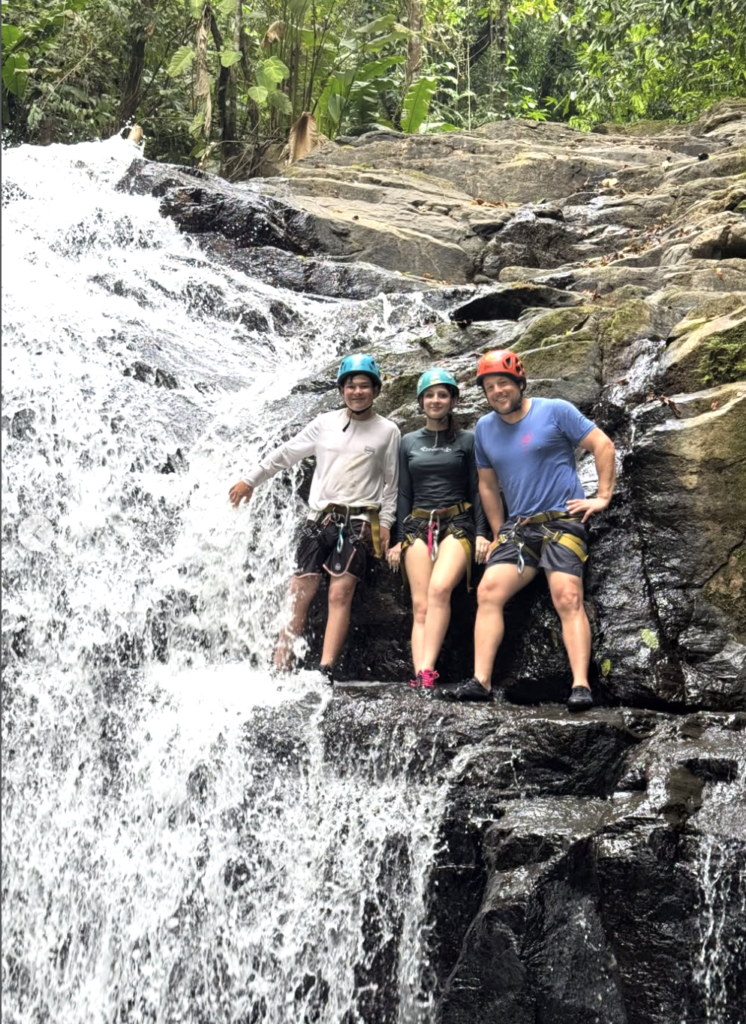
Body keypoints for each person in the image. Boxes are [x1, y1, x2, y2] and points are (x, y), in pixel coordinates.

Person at [438, 349, 616, 710]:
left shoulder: (555, 411)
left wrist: (602, 496)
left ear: (520, 383)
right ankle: (481, 681)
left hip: (561, 521)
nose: (498, 391)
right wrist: (499, 529)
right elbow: (488, 486)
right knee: (488, 590)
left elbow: (602, 444)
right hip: (519, 530)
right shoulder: (485, 429)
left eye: (503, 383)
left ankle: (580, 684)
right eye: (489, 387)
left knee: (566, 594)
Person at [228, 354, 400, 682]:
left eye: (365, 386)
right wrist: (250, 479)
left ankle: (326, 669)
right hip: (318, 518)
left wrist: (388, 523)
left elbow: (392, 483)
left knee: (339, 592)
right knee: (298, 590)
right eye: (351, 386)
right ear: (342, 390)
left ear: (375, 390)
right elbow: (286, 453)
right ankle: (282, 662)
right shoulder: (324, 423)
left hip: (359, 521)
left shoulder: (387, 431)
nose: (358, 392)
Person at [387, 369, 491, 691]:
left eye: (442, 395)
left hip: (458, 523)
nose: (436, 400)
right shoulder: (408, 442)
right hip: (417, 524)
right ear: (421, 401)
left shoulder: (468, 440)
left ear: (454, 401)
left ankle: (427, 670)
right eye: (429, 395)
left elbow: (479, 489)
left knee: (439, 589)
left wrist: (482, 533)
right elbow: (404, 492)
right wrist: (398, 540)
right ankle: (422, 676)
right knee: (420, 604)